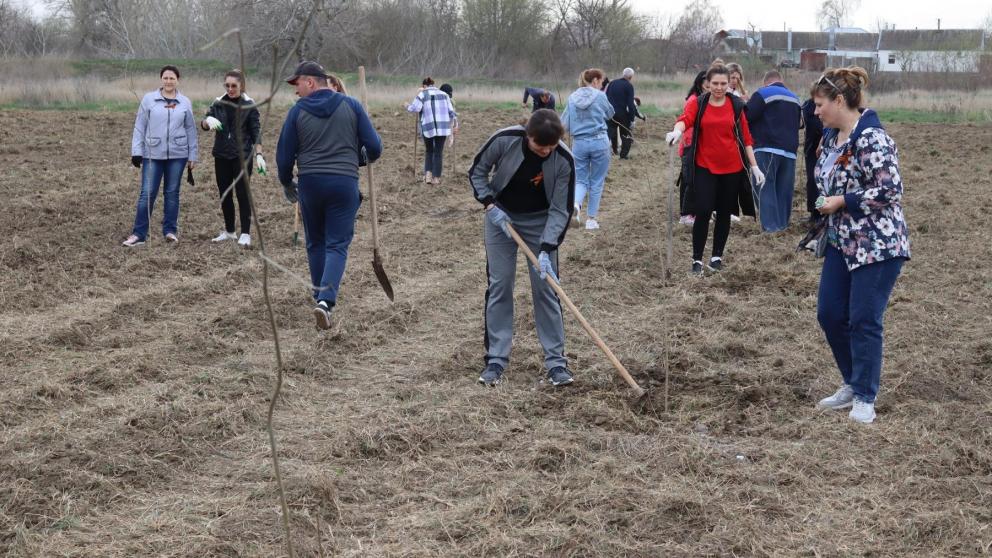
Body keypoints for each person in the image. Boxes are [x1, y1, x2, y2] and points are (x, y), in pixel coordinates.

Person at [810, 67, 910, 424]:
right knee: (830, 313)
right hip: (842, 242)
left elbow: (890, 190)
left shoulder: (873, 139)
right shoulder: (830, 138)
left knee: (864, 319)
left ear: (840, 100)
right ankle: (854, 381)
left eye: (820, 104)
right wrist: (826, 205)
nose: (816, 111)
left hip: (878, 243)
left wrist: (842, 201)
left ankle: (866, 397)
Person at [468, 109, 576, 388]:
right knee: (500, 285)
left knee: (547, 289)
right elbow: (477, 171)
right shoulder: (504, 140)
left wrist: (547, 246)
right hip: (500, 219)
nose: (547, 152)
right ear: (528, 136)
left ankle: (556, 363)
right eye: (541, 147)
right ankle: (495, 360)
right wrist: (490, 204)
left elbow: (561, 209)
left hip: (540, 223)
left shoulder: (563, 159)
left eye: (552, 147)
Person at [276, 61, 383, 330]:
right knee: (337, 244)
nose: (295, 90)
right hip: (344, 183)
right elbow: (375, 147)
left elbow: (284, 156)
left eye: (297, 84)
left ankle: (319, 296)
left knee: (316, 243)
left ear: (310, 82)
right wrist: (357, 159)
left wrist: (287, 182)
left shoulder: (297, 112)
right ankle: (325, 301)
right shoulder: (353, 106)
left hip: (311, 183)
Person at [666, 62, 765, 275]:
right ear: (707, 84)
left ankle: (716, 256)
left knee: (723, 212)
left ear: (729, 83)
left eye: (723, 83)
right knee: (702, 210)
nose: (719, 87)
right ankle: (696, 259)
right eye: (715, 83)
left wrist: (754, 167)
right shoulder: (699, 104)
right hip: (705, 167)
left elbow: (746, 138)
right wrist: (677, 131)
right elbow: (685, 119)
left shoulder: (736, 105)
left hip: (732, 168)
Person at [123, 65, 199, 247]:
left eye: (172, 78)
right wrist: (137, 151)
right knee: (147, 193)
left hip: (178, 155)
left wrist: (193, 155)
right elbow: (139, 126)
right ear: (161, 79)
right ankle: (139, 234)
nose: (168, 81)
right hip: (152, 154)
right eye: (165, 78)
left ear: (177, 80)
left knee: (172, 193)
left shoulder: (185, 102)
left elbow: (191, 129)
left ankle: (170, 231)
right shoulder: (149, 99)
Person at [201, 69, 263, 247]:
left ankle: (245, 233)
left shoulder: (249, 105)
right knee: (225, 194)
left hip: (242, 156)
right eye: (227, 85)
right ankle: (229, 231)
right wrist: (207, 122)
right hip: (221, 155)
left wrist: (259, 154)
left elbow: (256, 132)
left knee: (242, 194)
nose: (230, 89)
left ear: (241, 85)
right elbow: (205, 122)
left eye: (233, 86)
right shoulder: (218, 102)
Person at [746, 69, 801, 232]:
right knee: (784, 190)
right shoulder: (795, 98)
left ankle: (771, 228)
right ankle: (782, 226)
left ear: (766, 82)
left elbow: (746, 117)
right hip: (790, 151)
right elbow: (800, 124)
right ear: (781, 81)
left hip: (766, 147)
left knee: (764, 186)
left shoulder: (763, 93)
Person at [562, 68, 614, 230]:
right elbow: (610, 114)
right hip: (600, 142)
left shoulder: (572, 98)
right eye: (602, 82)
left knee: (580, 179)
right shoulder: (600, 96)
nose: (602, 85)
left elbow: (565, 124)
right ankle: (591, 220)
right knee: (597, 181)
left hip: (580, 144)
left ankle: (576, 206)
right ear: (596, 81)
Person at [407, 77, 457, 185]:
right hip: (442, 127)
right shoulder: (444, 95)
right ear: (433, 84)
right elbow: (451, 112)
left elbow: (415, 108)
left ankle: (428, 176)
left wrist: (406, 106)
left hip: (428, 126)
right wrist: (453, 125)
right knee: (438, 152)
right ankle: (436, 178)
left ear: (425, 85)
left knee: (429, 151)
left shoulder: (422, 94)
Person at [677, 70, 708, 226]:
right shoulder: (694, 100)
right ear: (700, 83)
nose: (710, 84)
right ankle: (686, 213)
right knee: (689, 180)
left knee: (696, 180)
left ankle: (694, 212)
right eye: (707, 81)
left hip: (701, 144)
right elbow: (686, 123)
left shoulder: (706, 99)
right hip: (691, 145)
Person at [605, 67, 638, 159]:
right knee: (626, 134)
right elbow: (630, 104)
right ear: (631, 77)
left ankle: (603, 153)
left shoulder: (611, 83)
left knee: (608, 134)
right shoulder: (629, 86)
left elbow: (605, 98)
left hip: (610, 113)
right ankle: (623, 155)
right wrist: (632, 119)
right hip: (622, 114)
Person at [802, 96, 824, 223]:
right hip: (812, 149)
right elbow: (805, 123)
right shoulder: (808, 105)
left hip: (826, 147)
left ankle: (821, 211)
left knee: (822, 181)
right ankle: (814, 212)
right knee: (813, 180)